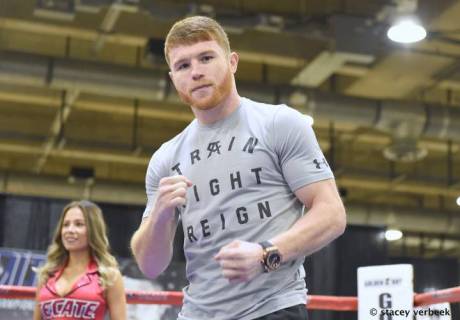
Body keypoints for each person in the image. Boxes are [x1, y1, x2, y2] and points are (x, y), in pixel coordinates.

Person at [131, 15, 346, 320]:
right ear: (173, 78)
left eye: (206, 58)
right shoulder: (166, 159)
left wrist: (265, 254)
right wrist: (162, 214)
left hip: (272, 309)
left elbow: (331, 213)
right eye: (183, 65)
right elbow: (150, 265)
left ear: (232, 62)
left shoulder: (279, 124)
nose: (196, 72)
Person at [34, 200, 127, 320]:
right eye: (66, 224)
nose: (70, 230)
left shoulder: (109, 276)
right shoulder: (47, 274)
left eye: (79, 224)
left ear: (93, 230)